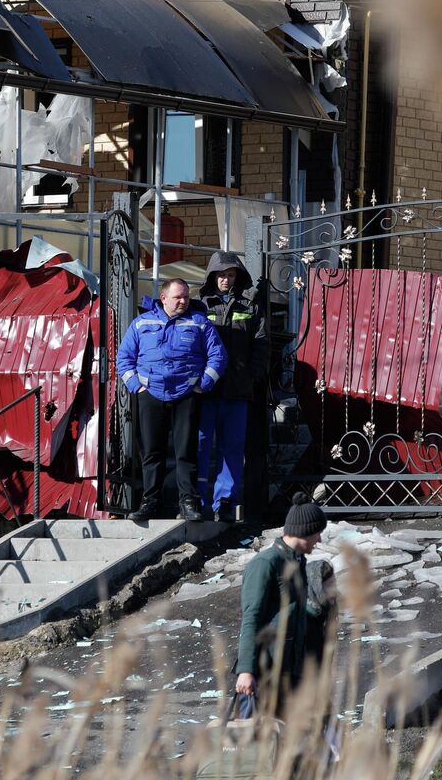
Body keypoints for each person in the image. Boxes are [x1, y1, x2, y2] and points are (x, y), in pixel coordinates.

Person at [116, 278, 227, 522]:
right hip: (150, 394)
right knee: (152, 452)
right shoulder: (141, 323)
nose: (183, 301)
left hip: (187, 395)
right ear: (163, 297)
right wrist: (136, 387)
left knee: (186, 452)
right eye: (178, 297)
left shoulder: (199, 323)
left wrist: (202, 385)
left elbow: (218, 357)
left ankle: (188, 503)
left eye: (186, 296)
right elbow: (123, 359)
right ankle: (149, 503)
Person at [234, 493, 327, 715]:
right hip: (264, 671)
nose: (319, 540)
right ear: (303, 532)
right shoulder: (266, 563)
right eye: (317, 534)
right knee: (257, 741)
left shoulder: (296, 561)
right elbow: (251, 617)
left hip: (289, 670)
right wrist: (246, 670)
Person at [197, 251, 268, 523]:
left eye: (231, 274)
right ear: (212, 276)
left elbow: (261, 343)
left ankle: (225, 502)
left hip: (238, 389)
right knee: (201, 447)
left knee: (232, 448)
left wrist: (252, 375)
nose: (226, 280)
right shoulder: (200, 305)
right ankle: (199, 501)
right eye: (221, 275)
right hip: (205, 390)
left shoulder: (250, 305)